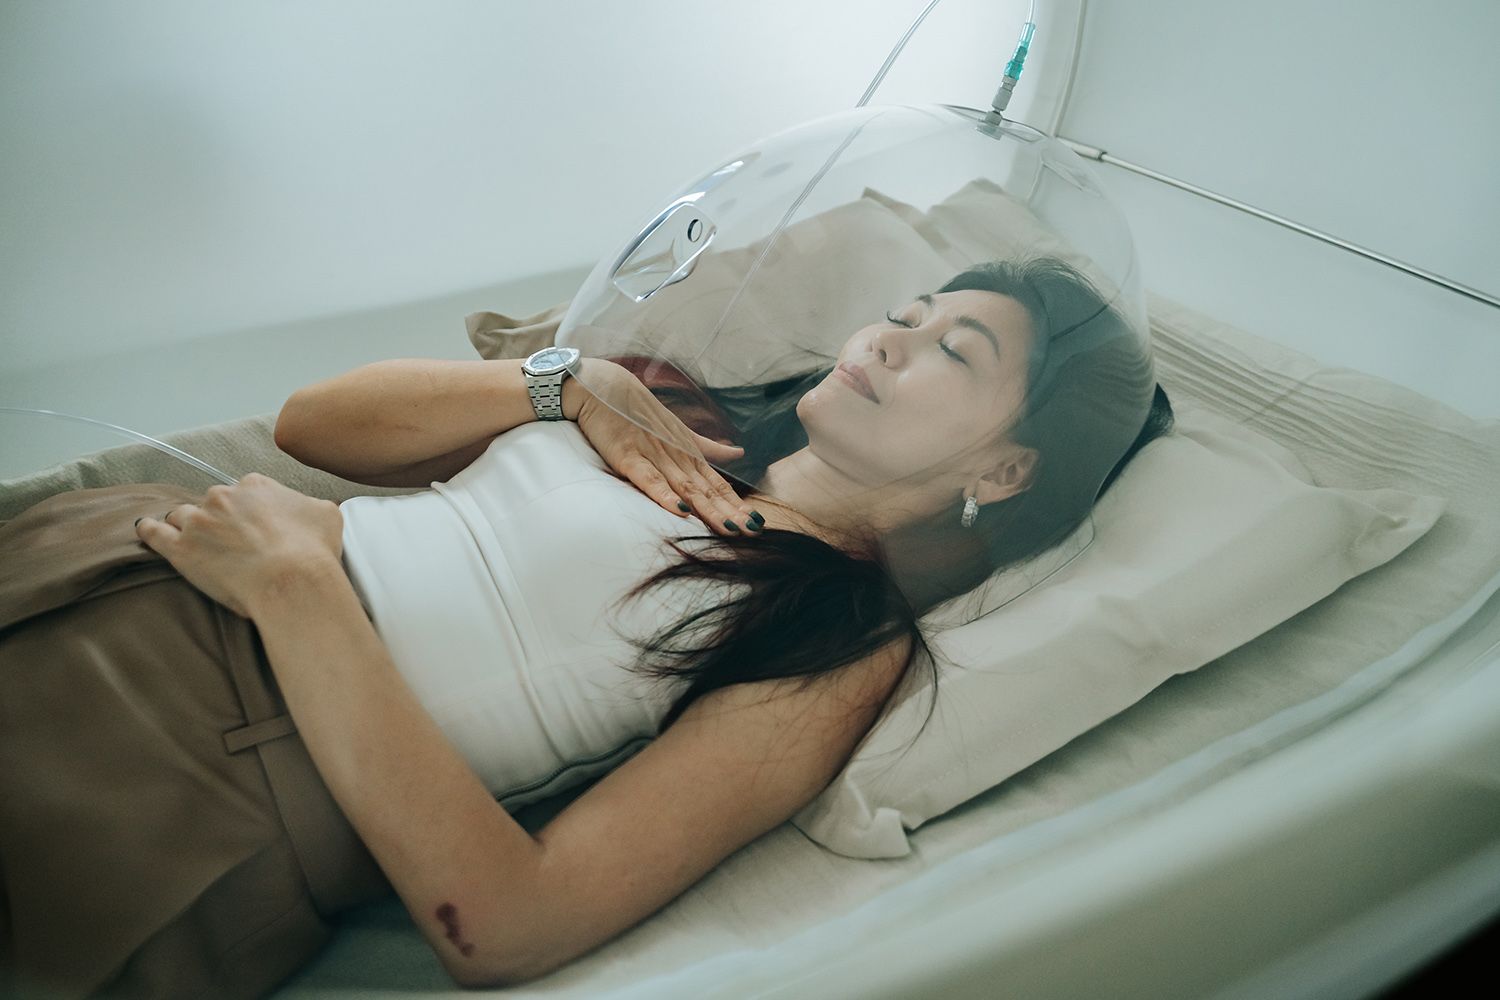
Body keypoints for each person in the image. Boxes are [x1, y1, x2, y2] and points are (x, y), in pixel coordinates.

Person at [0, 256, 1172, 998]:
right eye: (902, 313)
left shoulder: (840, 635)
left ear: (1009, 466)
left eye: (950, 351)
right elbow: (315, 428)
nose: (886, 339)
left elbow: (509, 923)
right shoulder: (667, 417)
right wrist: (565, 381)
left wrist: (300, 594)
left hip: (193, 754)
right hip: (116, 554)